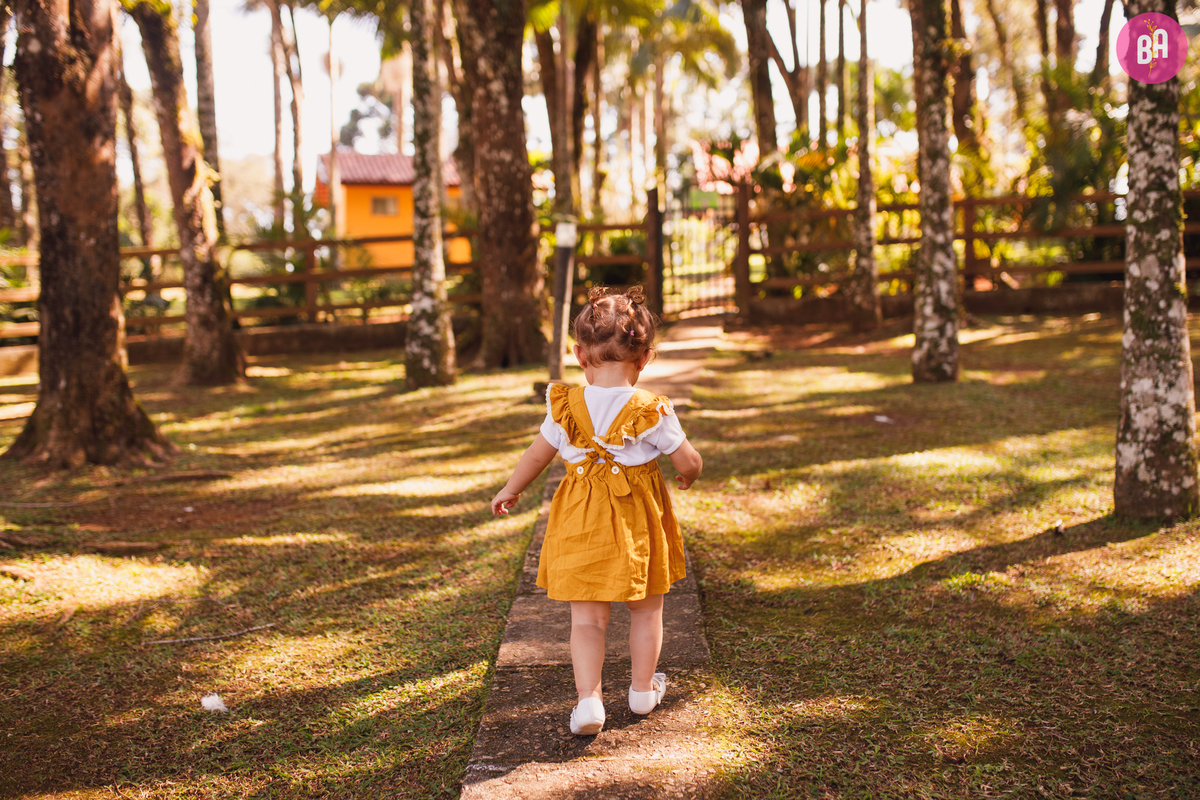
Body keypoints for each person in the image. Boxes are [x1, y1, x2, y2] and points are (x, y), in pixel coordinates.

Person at [490, 285, 703, 736]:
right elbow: (688, 460)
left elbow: (536, 456)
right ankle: (642, 690)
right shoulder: (651, 409)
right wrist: (689, 474)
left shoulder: (566, 405)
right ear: (645, 358)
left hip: (580, 521)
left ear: (579, 354)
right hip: (637, 524)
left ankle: (589, 701)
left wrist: (511, 489)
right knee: (646, 610)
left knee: (587, 619)